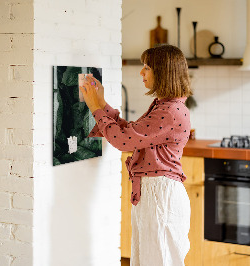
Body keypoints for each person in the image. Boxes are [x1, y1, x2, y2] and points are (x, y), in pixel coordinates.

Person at [80, 44, 192, 266]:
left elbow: (123, 141)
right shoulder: (165, 106)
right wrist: (101, 104)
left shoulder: (169, 111)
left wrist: (95, 108)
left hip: (160, 197)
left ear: (163, 72)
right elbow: (131, 133)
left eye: (147, 67)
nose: (142, 73)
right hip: (155, 195)